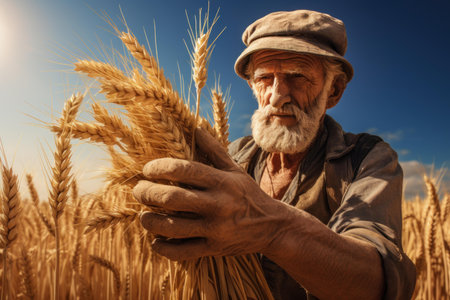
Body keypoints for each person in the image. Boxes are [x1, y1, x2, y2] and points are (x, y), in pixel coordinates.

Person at [133, 9, 416, 300]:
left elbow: (374, 286)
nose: (277, 95)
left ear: (334, 91)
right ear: (253, 87)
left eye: (297, 76)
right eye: (265, 78)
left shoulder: (368, 159)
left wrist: (271, 229)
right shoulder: (230, 155)